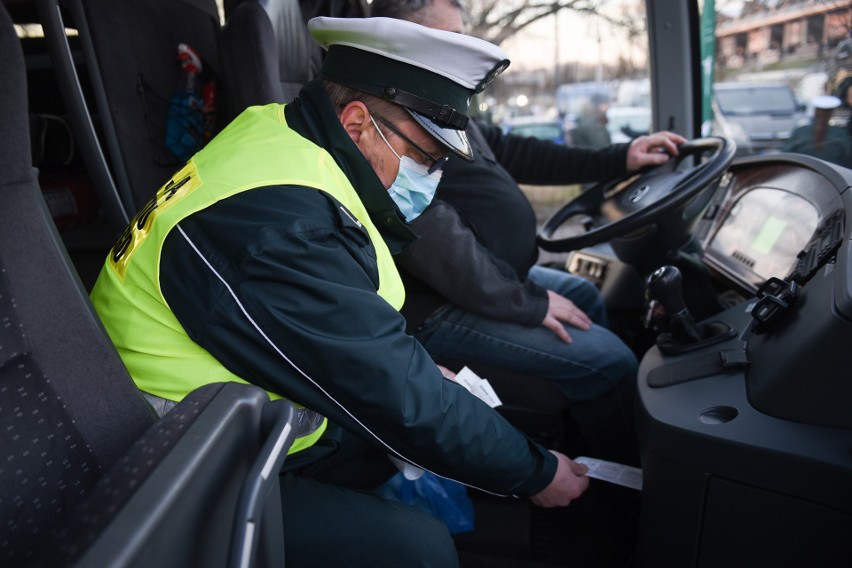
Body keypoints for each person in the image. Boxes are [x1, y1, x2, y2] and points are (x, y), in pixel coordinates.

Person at [89, 16, 592, 567]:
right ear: (356, 125)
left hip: (243, 403)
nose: (432, 175)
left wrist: (423, 372)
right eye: (426, 157)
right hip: (182, 456)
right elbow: (403, 399)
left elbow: (359, 334)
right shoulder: (283, 229)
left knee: (400, 452)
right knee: (420, 550)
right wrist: (536, 472)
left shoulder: (285, 137)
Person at [370, 0, 686, 467]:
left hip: (486, 280)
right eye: (451, 41)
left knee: (584, 293)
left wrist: (620, 158)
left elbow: (515, 151)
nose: (466, 54)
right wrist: (529, 303)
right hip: (436, 303)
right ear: (399, 43)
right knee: (613, 362)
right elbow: (436, 243)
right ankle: (632, 493)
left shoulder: (441, 102)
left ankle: (585, 439)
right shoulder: (389, 123)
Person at [783, 95, 852, 168]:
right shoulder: (839, 133)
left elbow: (786, 154)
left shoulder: (801, 132)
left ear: (815, 112)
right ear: (831, 113)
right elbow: (848, 158)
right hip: (833, 174)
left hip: (804, 172)